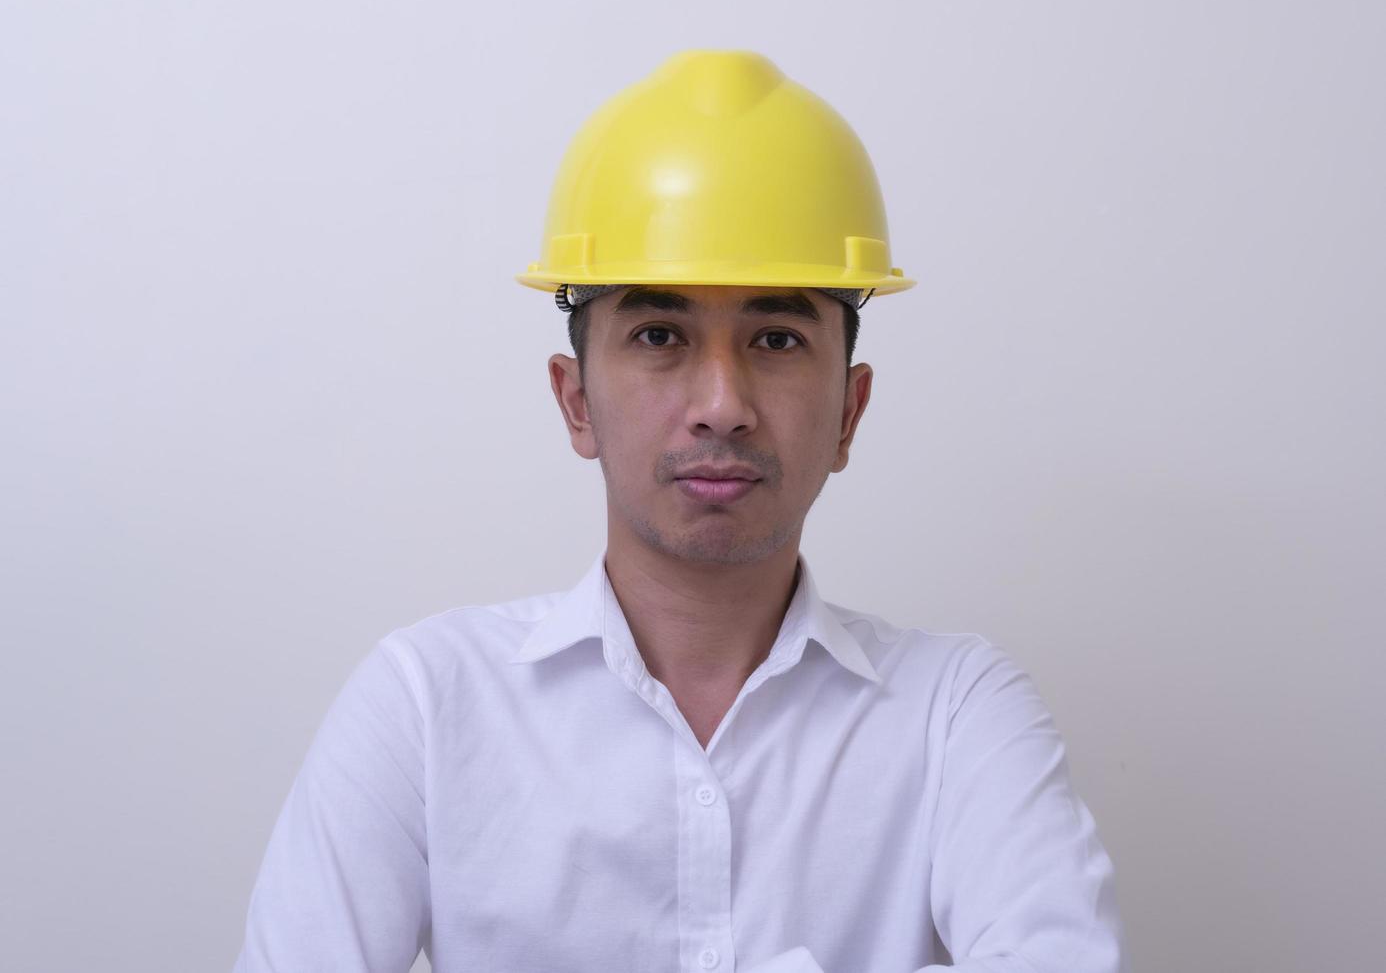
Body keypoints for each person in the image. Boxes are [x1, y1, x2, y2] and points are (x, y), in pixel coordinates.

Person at [233, 49, 1127, 973]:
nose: (721, 403)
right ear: (576, 401)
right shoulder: (426, 702)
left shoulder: (956, 712)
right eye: (659, 336)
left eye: (776, 338)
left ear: (849, 412)